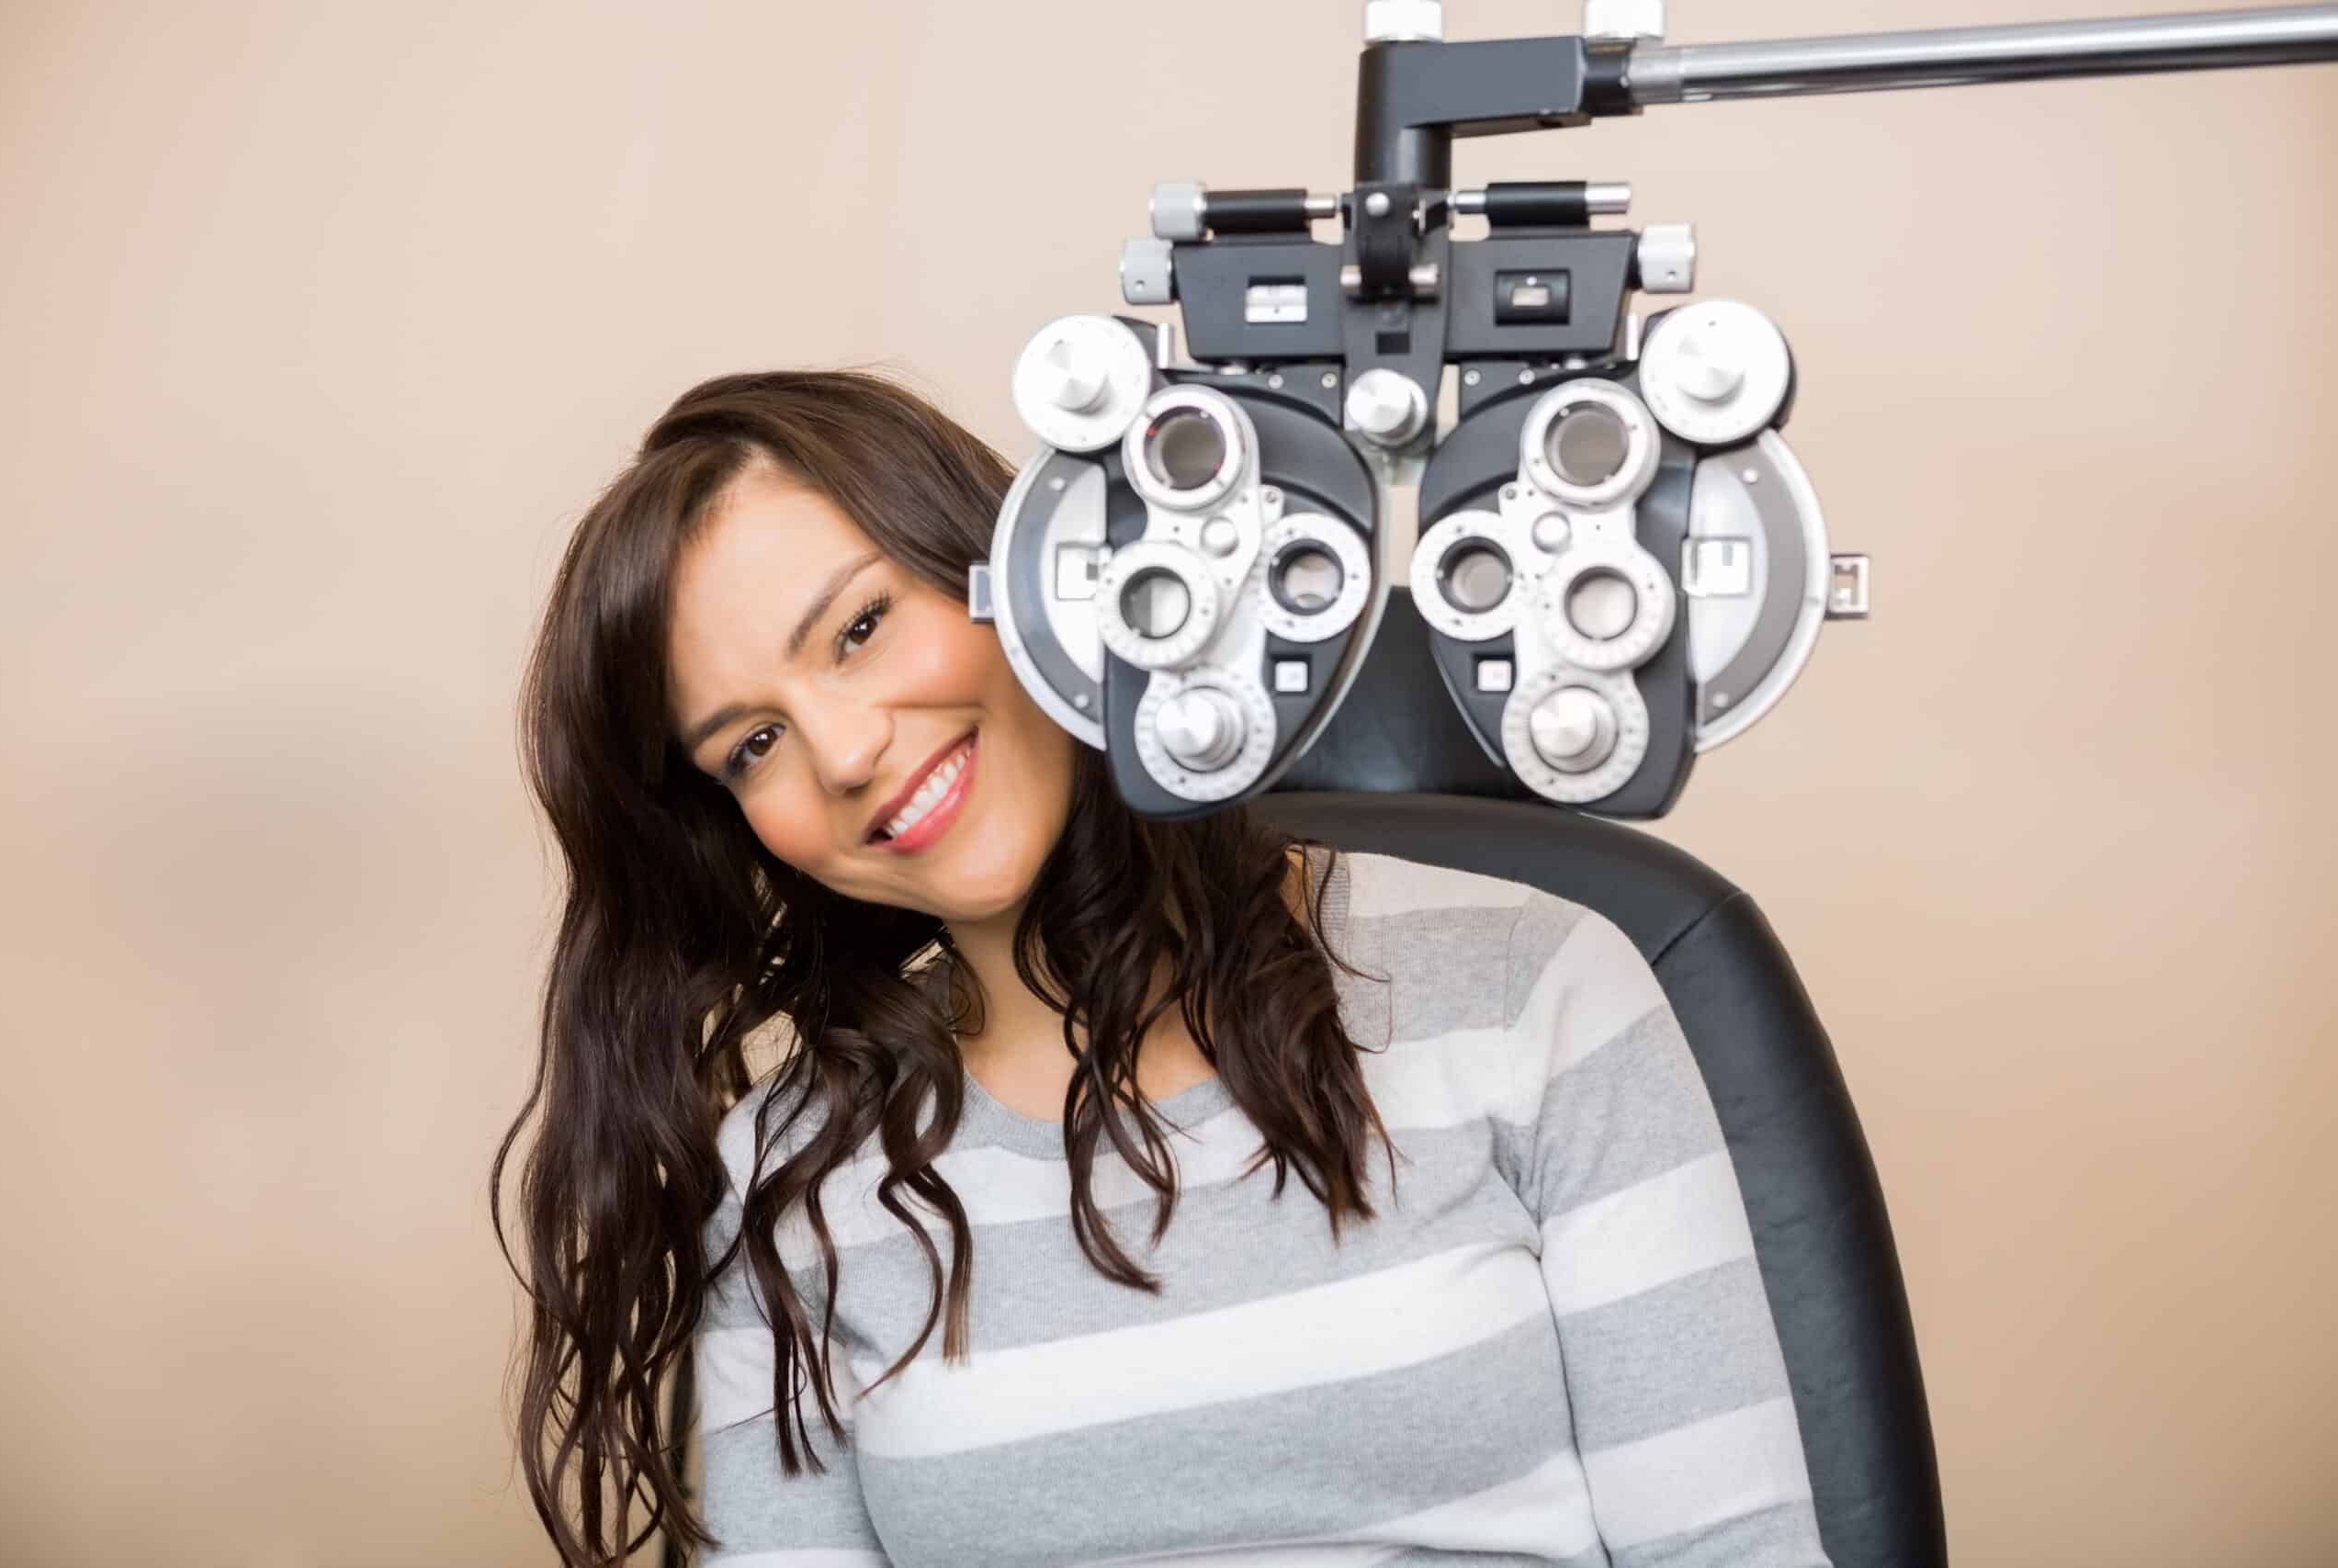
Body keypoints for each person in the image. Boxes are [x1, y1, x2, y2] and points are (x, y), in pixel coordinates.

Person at [494, 367, 1834, 1567]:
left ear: (1024, 572)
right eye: (751, 748)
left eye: (857, 630)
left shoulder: (1534, 994)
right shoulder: (794, 1181)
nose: (843, 752)